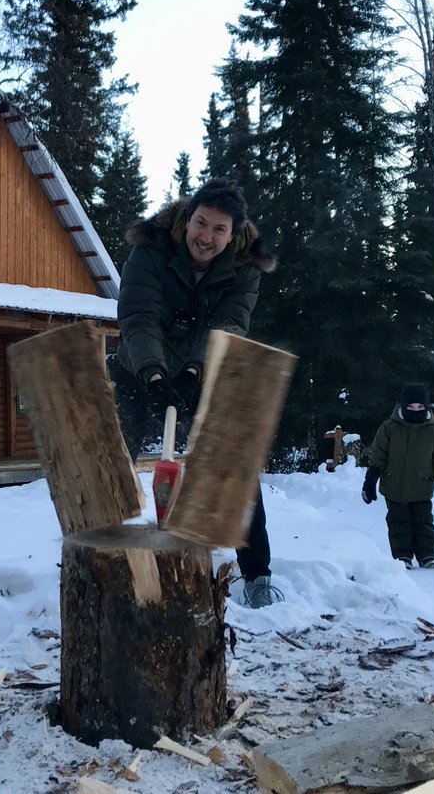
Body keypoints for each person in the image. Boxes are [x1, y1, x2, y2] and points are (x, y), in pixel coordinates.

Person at [110, 178, 280, 608]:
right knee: (110, 456)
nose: (206, 236)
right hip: (139, 366)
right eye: (201, 223)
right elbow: (138, 314)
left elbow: (228, 324)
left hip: (203, 369)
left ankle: (256, 574)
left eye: (219, 229)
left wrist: (191, 372)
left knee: (232, 460)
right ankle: (106, 559)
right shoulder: (150, 249)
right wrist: (152, 375)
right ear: (188, 218)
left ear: (234, 233)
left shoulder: (246, 267)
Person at [361, 382, 434, 569]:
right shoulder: (389, 428)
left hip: (422, 486)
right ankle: (402, 556)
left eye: (420, 407)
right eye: (411, 406)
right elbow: (378, 456)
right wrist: (369, 482)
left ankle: (427, 555)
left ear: (426, 407)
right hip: (394, 485)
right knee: (398, 522)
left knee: (423, 522)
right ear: (402, 406)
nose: (415, 410)